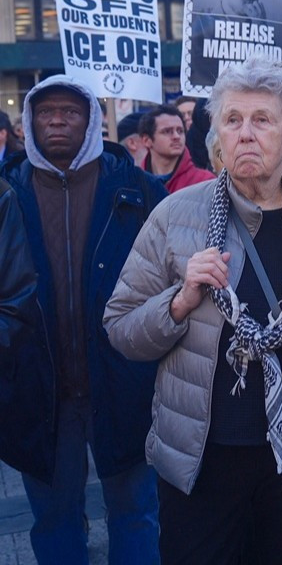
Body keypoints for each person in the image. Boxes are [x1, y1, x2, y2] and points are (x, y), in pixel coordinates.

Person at [103, 55, 282, 564]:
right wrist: (181, 300)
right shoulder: (176, 214)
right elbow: (122, 328)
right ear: (216, 133)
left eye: (262, 120)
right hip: (201, 461)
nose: (246, 133)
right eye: (233, 120)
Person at [0, 75, 168, 565]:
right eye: (45, 111)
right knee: (53, 518)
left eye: (69, 111)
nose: (56, 119)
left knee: (136, 511)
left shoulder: (136, 188)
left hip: (124, 380)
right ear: (28, 121)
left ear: (92, 119)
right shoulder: (8, 191)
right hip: (38, 385)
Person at [139, 104, 216, 193]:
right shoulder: (133, 182)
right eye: (167, 131)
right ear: (146, 140)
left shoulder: (205, 181)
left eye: (180, 131)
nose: (176, 136)